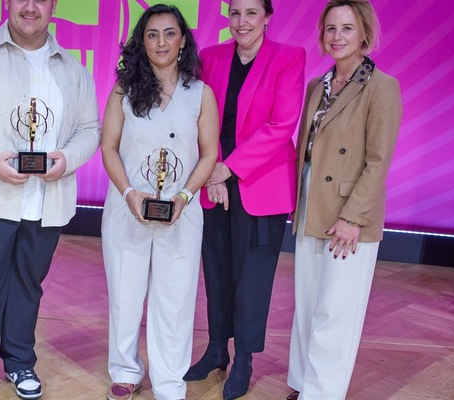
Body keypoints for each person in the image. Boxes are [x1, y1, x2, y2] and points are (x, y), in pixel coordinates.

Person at [0, 0, 101, 399]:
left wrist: (68, 159)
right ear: (6, 3)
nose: (30, 7)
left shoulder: (73, 70)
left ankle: (20, 361)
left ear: (53, 6)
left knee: (28, 284)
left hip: (47, 199)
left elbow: (90, 128)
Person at [183, 0, 305, 399]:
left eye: (251, 13)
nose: (242, 22)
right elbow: (201, 117)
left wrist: (228, 168)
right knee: (216, 269)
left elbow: (281, 125)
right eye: (235, 13)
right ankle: (217, 349)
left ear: (267, 17)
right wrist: (214, 168)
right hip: (215, 179)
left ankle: (245, 360)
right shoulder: (211, 56)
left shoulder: (289, 57)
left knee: (251, 280)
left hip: (260, 183)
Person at [101, 5, 219, 400]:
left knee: (176, 299)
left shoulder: (201, 93)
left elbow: (208, 154)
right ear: (142, 41)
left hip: (181, 213)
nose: (161, 42)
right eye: (152, 34)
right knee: (125, 295)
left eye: (170, 33)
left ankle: (170, 381)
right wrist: (130, 193)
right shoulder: (124, 89)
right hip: (127, 208)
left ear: (183, 40)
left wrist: (185, 196)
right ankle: (125, 370)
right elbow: (109, 148)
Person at [286, 1, 402, 399]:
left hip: (349, 216)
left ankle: (322, 394)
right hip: (311, 207)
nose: (337, 37)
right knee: (307, 308)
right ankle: (302, 385)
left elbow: (378, 161)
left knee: (335, 313)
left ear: (364, 35)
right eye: (331, 29)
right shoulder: (317, 86)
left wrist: (353, 217)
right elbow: (305, 150)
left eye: (347, 29)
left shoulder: (382, 87)